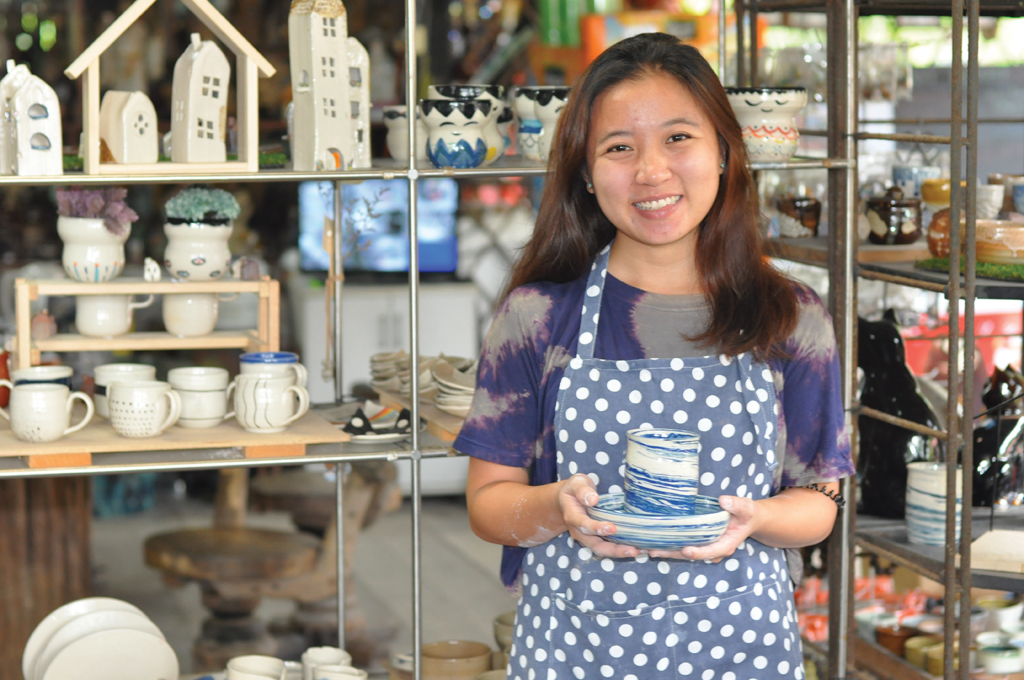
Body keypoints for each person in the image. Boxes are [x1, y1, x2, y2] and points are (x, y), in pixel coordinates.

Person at [454, 32, 854, 680]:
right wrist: (555, 507)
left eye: (678, 138)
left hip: (742, 653)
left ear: (724, 150)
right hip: (574, 653)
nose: (651, 171)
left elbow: (818, 505)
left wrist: (755, 519)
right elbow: (489, 503)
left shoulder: (791, 317)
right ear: (586, 171)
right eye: (618, 147)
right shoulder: (537, 318)